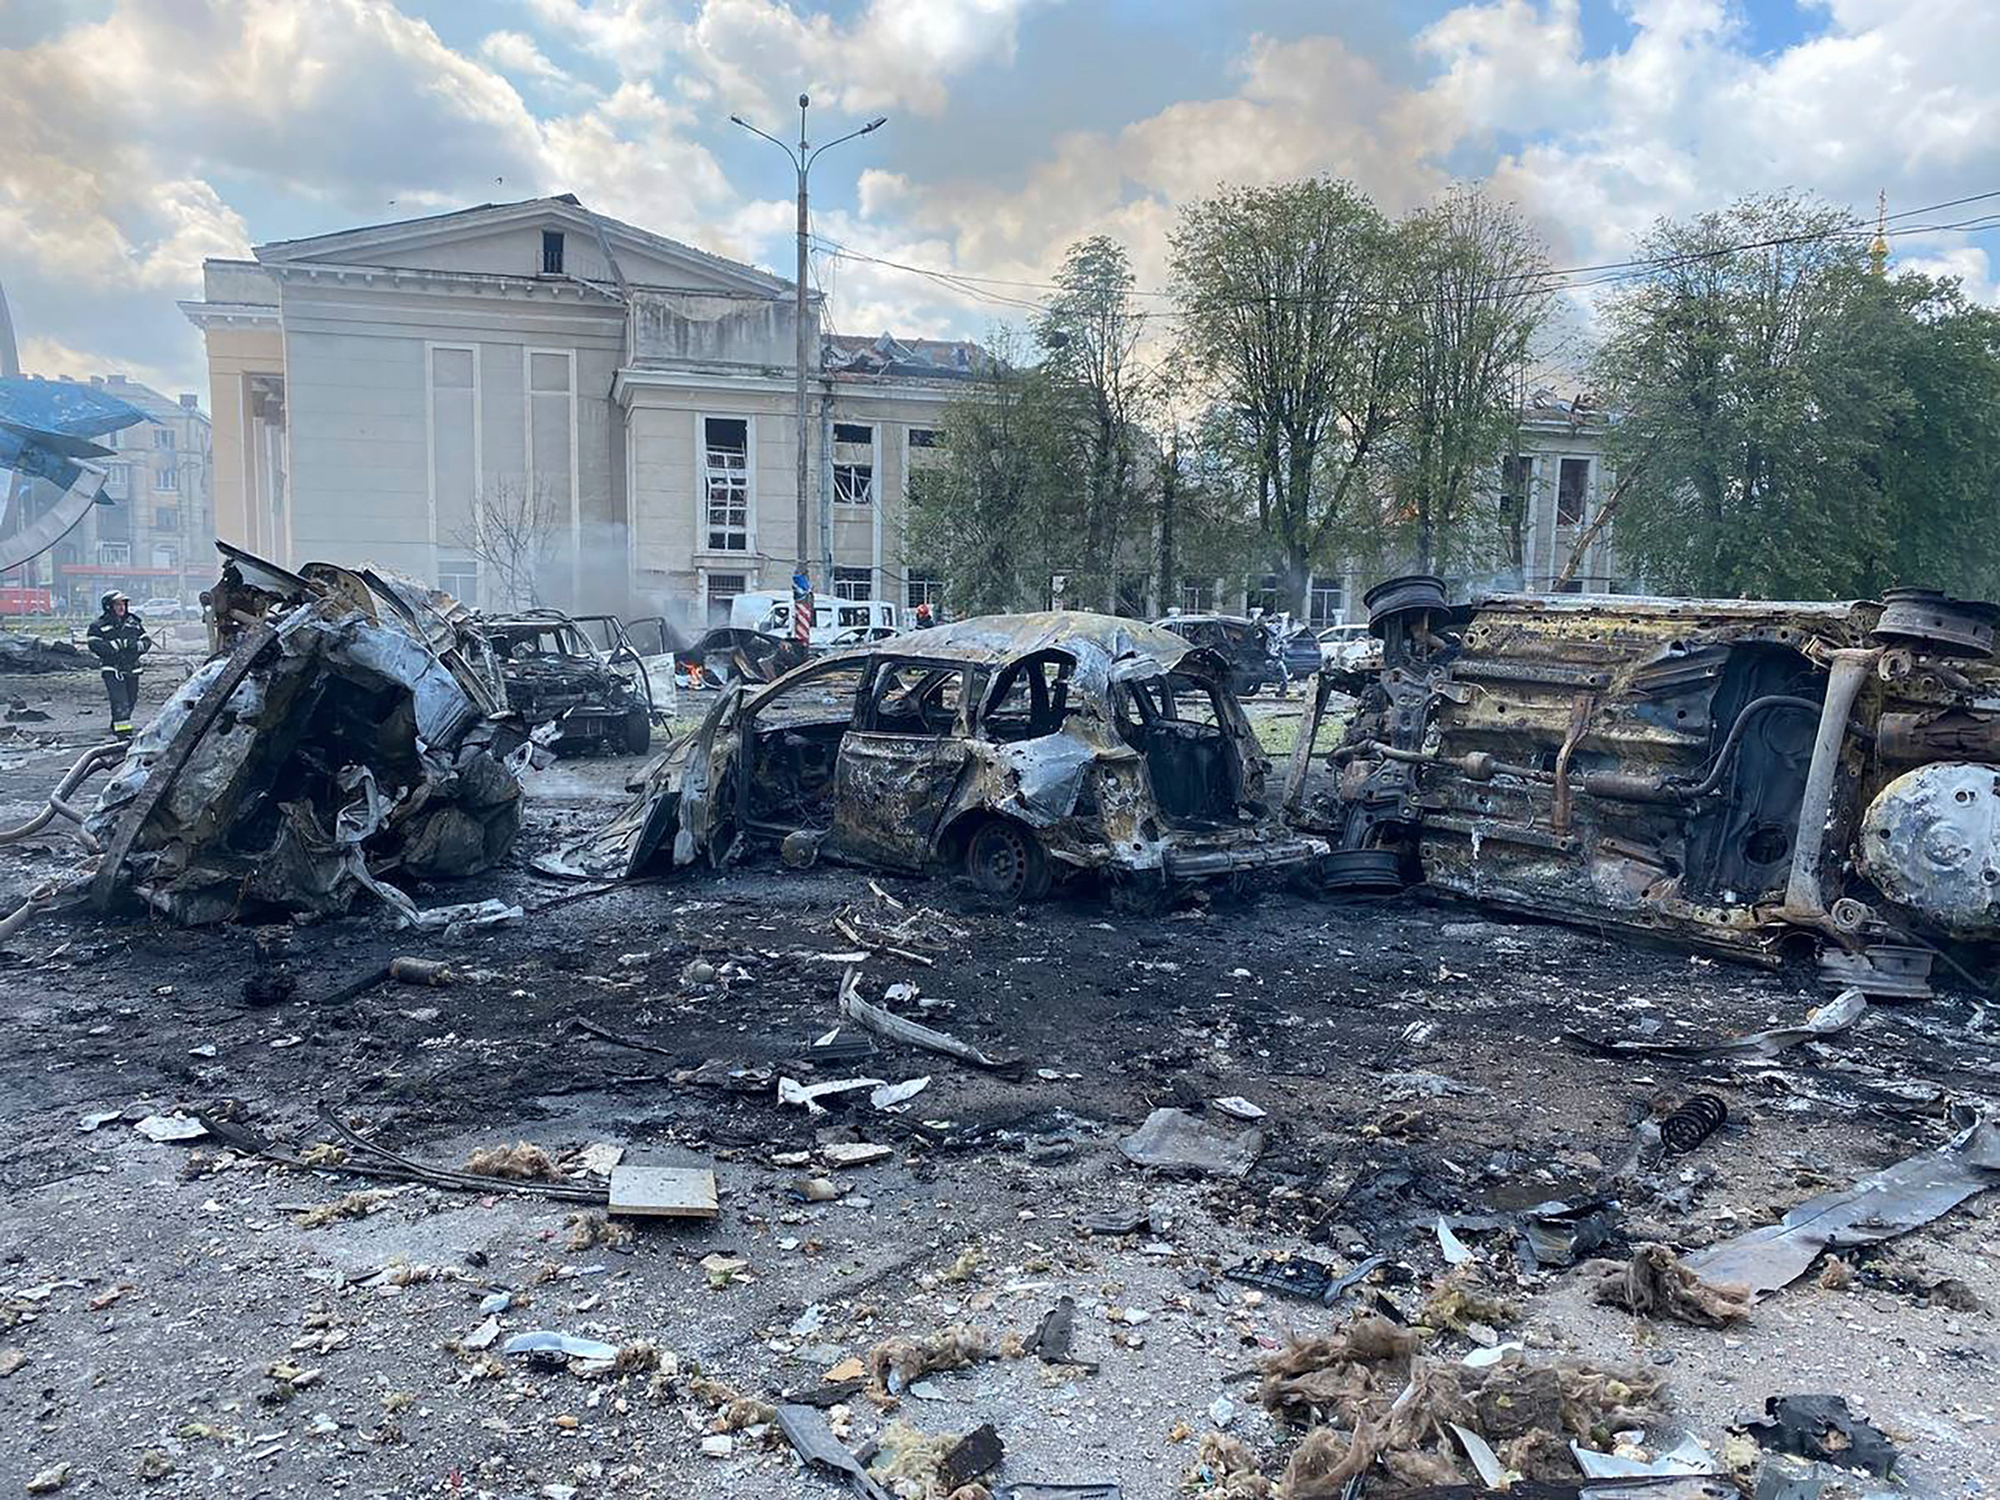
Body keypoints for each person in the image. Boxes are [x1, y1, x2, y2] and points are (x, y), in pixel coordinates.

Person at [86, 590, 149, 737]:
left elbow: (146, 642)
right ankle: (123, 735)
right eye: (117, 604)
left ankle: (116, 724)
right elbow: (96, 646)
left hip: (132, 670)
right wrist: (120, 644)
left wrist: (134, 647)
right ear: (109, 606)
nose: (122, 607)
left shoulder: (134, 622)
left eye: (123, 604)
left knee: (131, 701)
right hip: (112, 670)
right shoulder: (98, 625)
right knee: (120, 701)